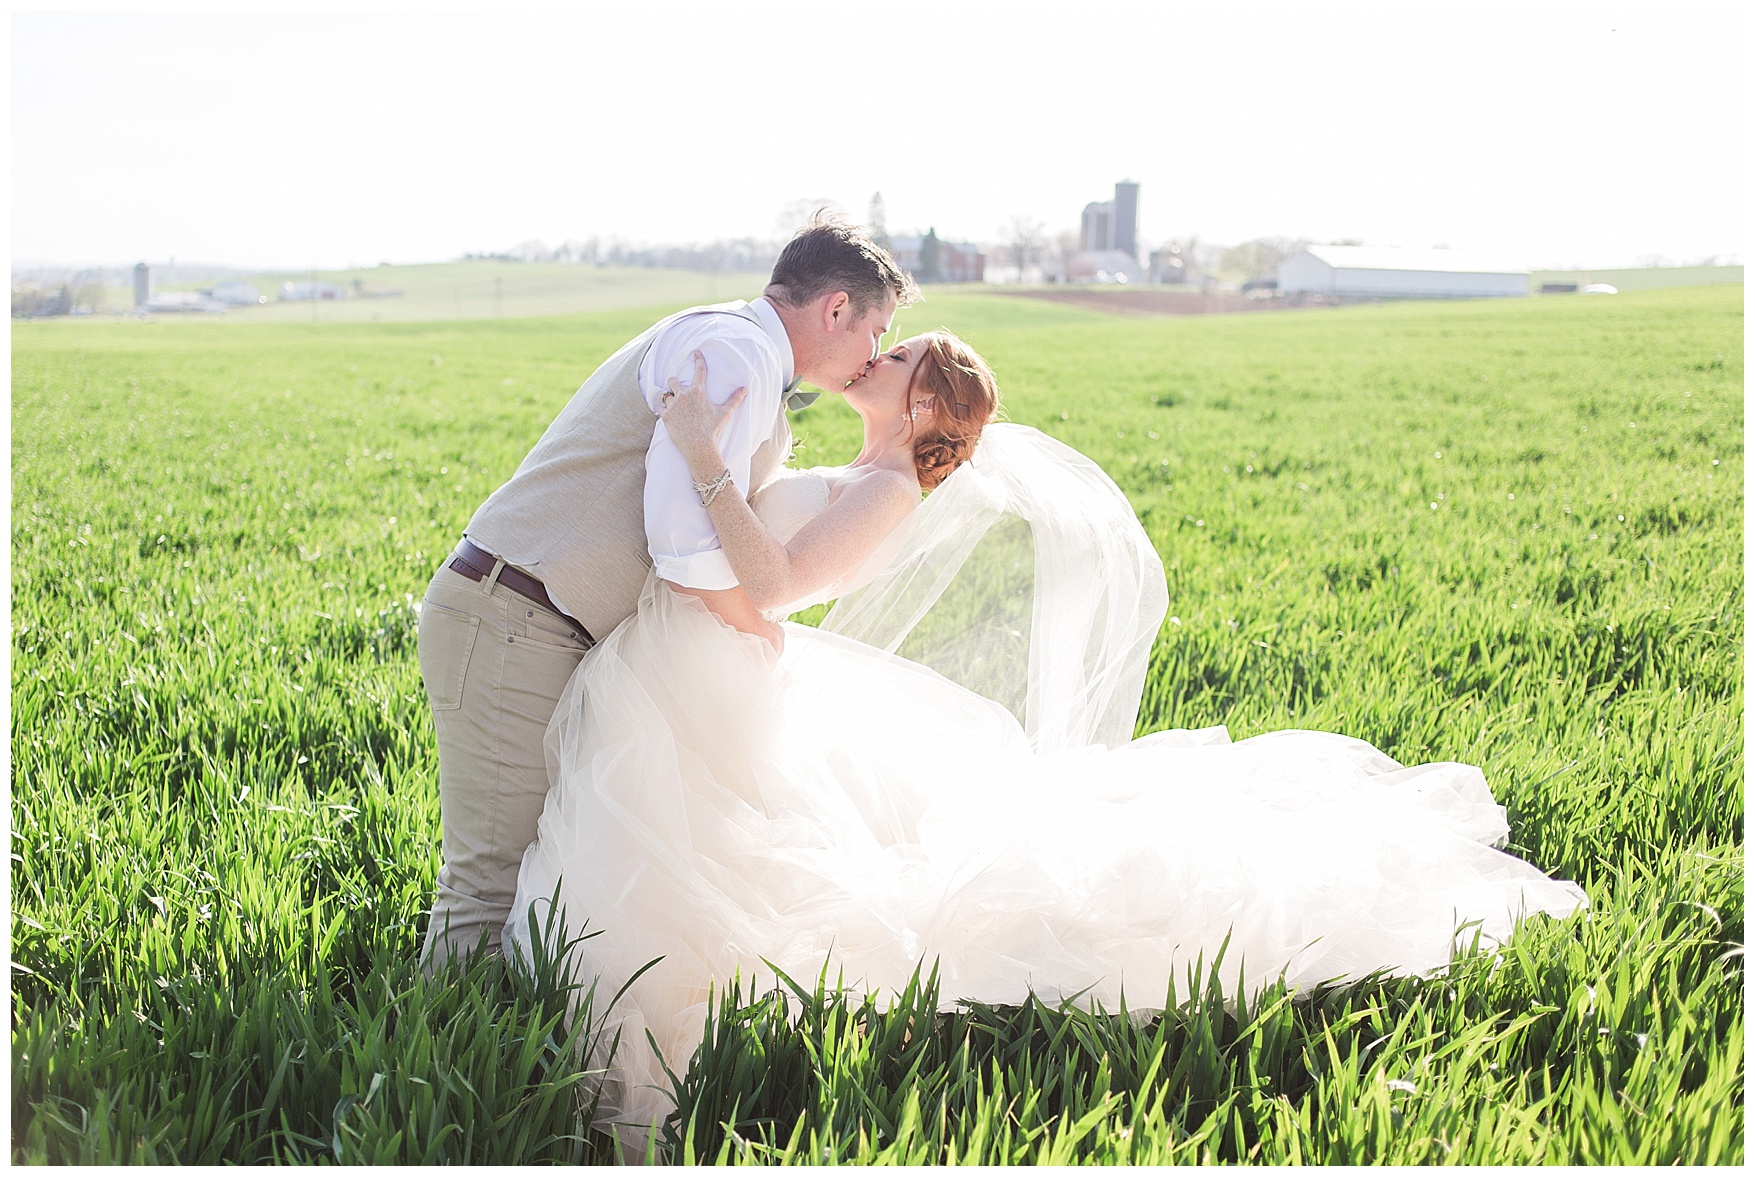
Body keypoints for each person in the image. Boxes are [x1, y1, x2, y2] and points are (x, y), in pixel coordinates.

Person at [506, 332, 1588, 1145]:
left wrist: (699, 451)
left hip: (727, 661)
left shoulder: (886, 484)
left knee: (734, 867)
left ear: (925, 397)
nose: (868, 358)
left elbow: (777, 584)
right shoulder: (864, 459)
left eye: (892, 357)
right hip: (717, 666)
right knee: (723, 842)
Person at [416, 216, 916, 967]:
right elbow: (682, 543)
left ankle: (490, 1060)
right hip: (513, 616)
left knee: (533, 876)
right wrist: (755, 628)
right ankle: (434, 1074)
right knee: (489, 885)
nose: (872, 354)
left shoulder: (737, 346)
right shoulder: (735, 353)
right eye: (875, 331)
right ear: (835, 308)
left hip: (540, 618)